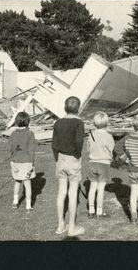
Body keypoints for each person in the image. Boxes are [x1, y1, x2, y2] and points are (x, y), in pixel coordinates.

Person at [52, 96, 85, 236]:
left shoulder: (58, 122)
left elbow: (54, 143)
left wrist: (56, 158)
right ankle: (71, 228)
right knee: (73, 194)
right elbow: (79, 142)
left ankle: (60, 225)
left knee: (61, 192)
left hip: (60, 158)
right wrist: (77, 155)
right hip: (73, 158)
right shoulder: (79, 123)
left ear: (65, 107)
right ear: (78, 108)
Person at [87, 111, 115, 219]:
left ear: (94, 123)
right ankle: (99, 211)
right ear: (107, 123)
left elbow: (88, 149)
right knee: (101, 189)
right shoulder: (108, 136)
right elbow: (111, 150)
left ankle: (91, 210)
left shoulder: (91, 135)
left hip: (92, 163)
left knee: (92, 187)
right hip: (104, 164)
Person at [8, 112, 36, 212]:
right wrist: (31, 163)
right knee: (27, 183)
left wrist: (11, 161)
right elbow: (31, 150)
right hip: (27, 161)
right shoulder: (30, 134)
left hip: (15, 161)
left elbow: (10, 149)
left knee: (17, 182)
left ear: (16, 122)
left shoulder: (12, 134)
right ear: (28, 122)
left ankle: (15, 202)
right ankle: (28, 206)